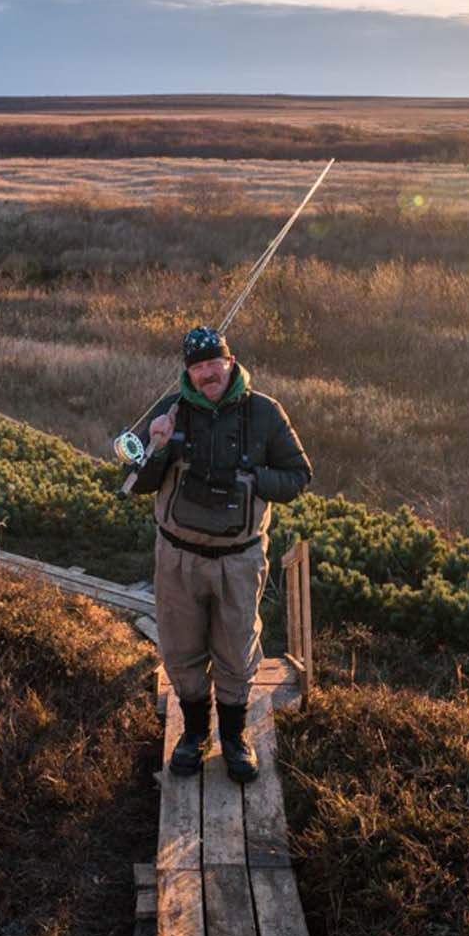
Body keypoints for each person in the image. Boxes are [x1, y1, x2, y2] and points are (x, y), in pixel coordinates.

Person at [129, 325, 312, 782]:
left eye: (216, 363)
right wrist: (154, 446)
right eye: (198, 366)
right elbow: (137, 481)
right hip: (177, 559)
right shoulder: (169, 411)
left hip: (239, 559)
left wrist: (251, 480)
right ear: (187, 372)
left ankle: (234, 738)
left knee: (236, 650)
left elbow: (298, 476)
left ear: (231, 362)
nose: (208, 373)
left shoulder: (266, 413)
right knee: (180, 649)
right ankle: (193, 735)